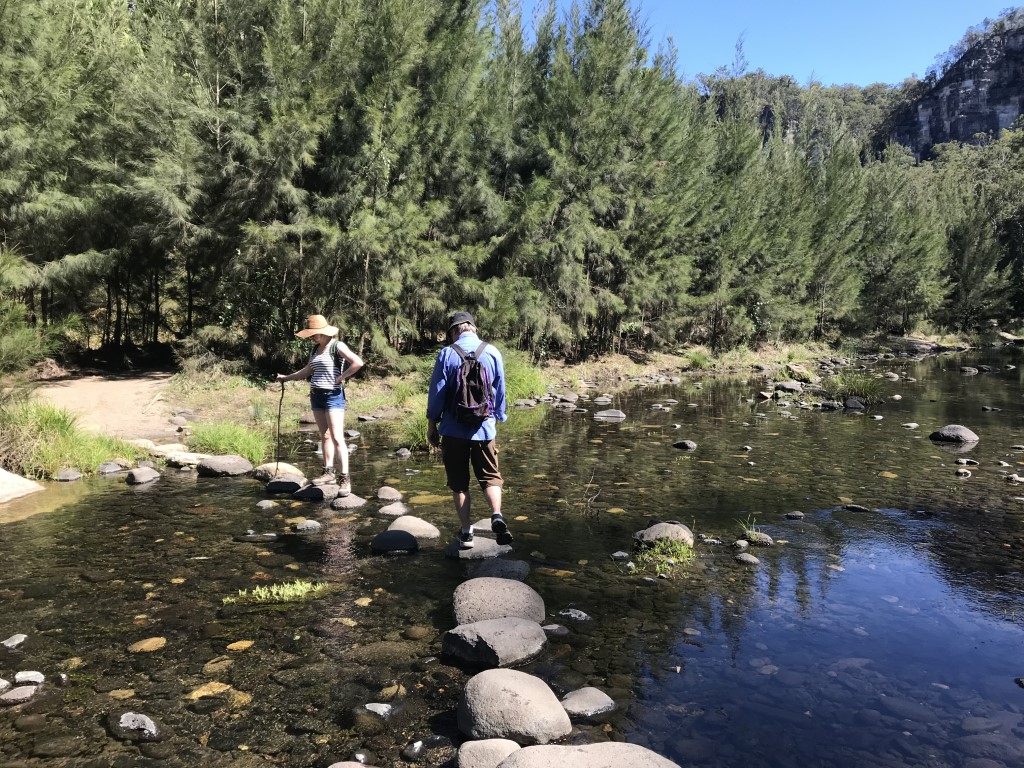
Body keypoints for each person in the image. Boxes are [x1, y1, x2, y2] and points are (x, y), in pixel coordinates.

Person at [426, 311, 513, 548]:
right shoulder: (492, 351)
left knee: (459, 483)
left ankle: (466, 533)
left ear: (454, 331)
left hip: (453, 430)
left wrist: (432, 424)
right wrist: (498, 417)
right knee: (490, 477)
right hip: (484, 429)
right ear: (473, 328)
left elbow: (437, 394)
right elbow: (501, 390)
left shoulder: (447, 354)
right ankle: (497, 515)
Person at [276, 314, 363, 495]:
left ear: (323, 332)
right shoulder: (315, 350)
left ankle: (344, 479)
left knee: (338, 438)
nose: (311, 337)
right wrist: (287, 378)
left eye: (313, 334)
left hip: (333, 396)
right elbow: (307, 370)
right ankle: (328, 472)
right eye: (310, 334)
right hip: (316, 396)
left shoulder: (337, 346)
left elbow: (358, 362)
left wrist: (342, 376)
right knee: (325, 436)